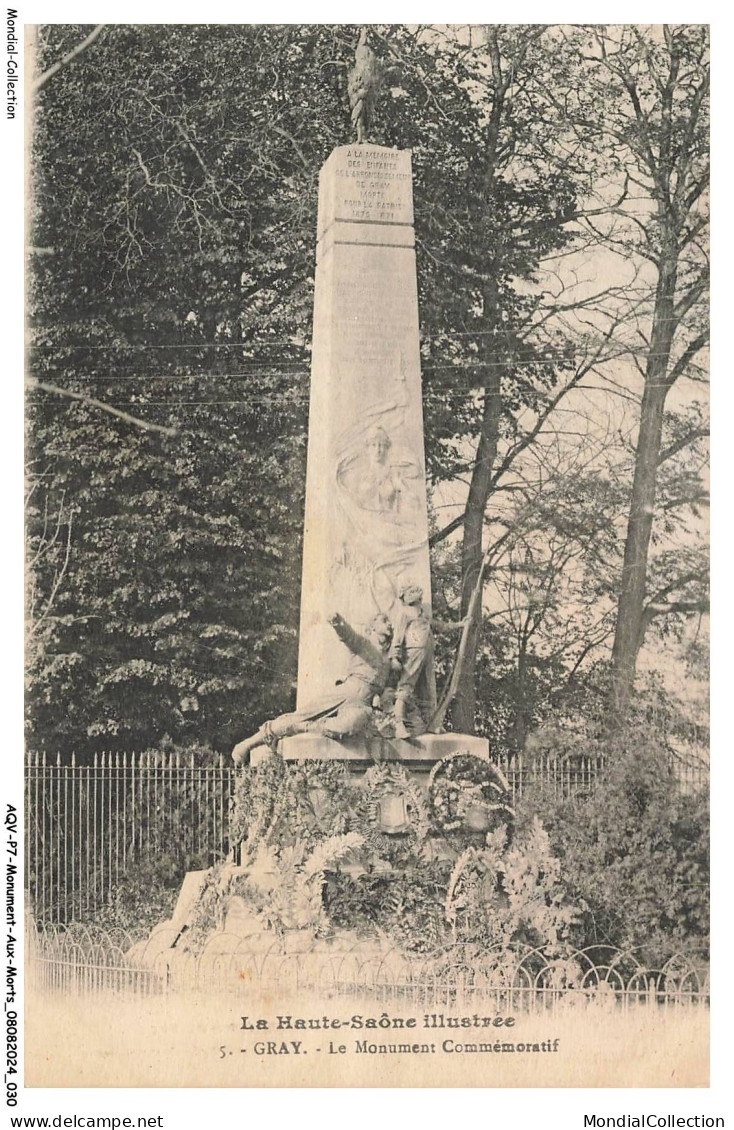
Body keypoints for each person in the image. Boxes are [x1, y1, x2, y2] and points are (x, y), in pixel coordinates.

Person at [231, 611, 397, 766]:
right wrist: (337, 622)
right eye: (384, 621)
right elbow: (348, 636)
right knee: (301, 715)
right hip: (345, 692)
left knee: (348, 726)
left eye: (389, 621)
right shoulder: (363, 644)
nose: (389, 624)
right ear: (373, 627)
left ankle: (302, 728)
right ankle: (248, 743)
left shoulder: (388, 661)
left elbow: (388, 688)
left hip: (361, 704)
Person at [389, 583, 437, 739]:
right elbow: (397, 636)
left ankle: (431, 722)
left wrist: (460, 624)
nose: (415, 592)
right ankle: (398, 723)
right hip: (413, 652)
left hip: (427, 653)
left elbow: (439, 625)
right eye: (411, 591)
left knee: (427, 688)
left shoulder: (424, 614)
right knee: (406, 685)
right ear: (405, 597)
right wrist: (394, 657)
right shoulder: (404, 613)